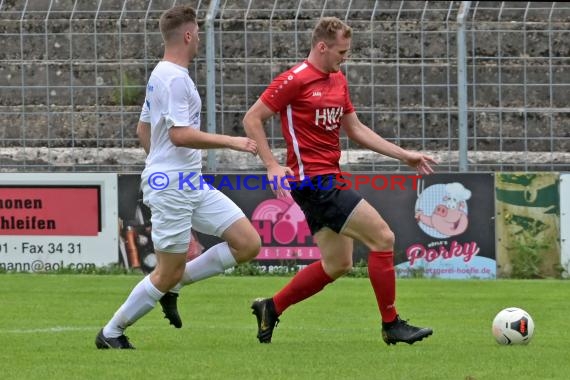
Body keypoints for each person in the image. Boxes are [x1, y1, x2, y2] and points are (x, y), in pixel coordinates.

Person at [243, 17, 437, 345]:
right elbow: (252, 118)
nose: (344, 58)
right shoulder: (294, 79)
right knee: (383, 238)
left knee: (338, 263)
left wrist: (404, 156)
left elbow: (356, 129)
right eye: (341, 52)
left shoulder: (338, 79)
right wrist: (272, 164)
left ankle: (271, 307)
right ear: (322, 46)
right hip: (315, 183)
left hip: (330, 178)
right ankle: (391, 325)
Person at [96, 5, 261, 349]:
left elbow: (144, 128)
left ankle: (174, 285)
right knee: (165, 271)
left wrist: (159, 164)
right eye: (198, 32)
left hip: (189, 182)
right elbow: (180, 135)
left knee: (247, 243)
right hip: (173, 185)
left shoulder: (164, 75)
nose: (200, 37)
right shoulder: (172, 78)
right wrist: (231, 141)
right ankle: (111, 332)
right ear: (187, 35)